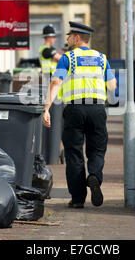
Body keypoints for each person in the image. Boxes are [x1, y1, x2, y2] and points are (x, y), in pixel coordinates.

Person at [42, 21, 117, 209]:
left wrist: (47, 108)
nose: (66, 39)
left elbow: (56, 82)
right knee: (97, 150)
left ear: (77, 38)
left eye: (69, 36)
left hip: (75, 109)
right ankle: (94, 176)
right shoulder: (102, 58)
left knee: (74, 153)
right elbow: (113, 85)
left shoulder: (68, 58)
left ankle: (77, 199)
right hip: (97, 109)